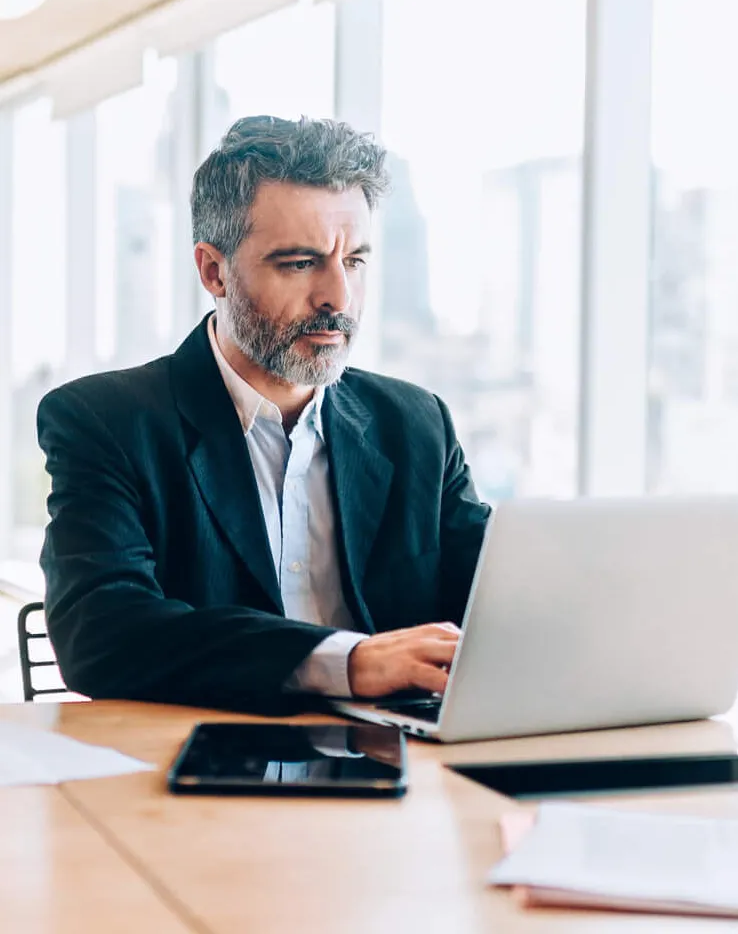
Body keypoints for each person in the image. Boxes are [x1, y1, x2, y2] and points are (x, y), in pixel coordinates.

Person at [37, 115, 490, 715]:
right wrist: (348, 663)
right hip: (200, 767)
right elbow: (102, 634)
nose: (337, 297)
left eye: (353, 260)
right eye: (300, 263)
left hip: (399, 770)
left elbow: (499, 602)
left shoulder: (416, 424)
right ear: (213, 271)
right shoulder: (107, 422)